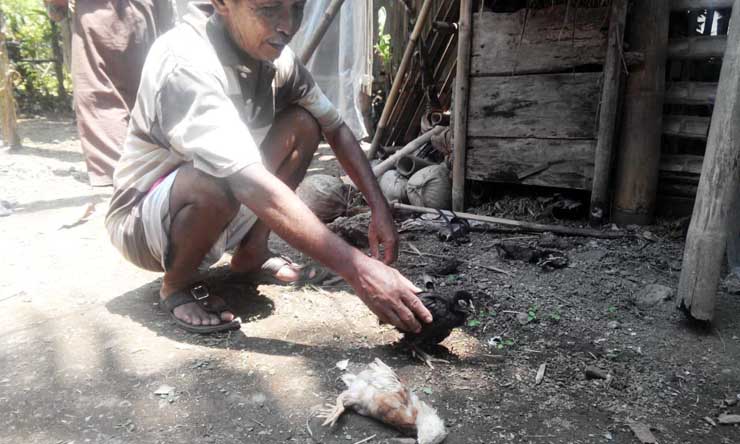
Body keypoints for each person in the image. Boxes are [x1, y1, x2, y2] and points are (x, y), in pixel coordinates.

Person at [105, 0, 433, 334]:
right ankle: (177, 284)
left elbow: (335, 127)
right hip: (141, 223)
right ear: (222, 5)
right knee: (217, 176)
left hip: (223, 196)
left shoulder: (275, 58)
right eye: (269, 9)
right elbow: (248, 182)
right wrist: (358, 269)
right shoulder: (185, 61)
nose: (288, 25)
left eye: (297, 8)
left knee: (304, 124)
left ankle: (251, 254)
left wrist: (380, 210)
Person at [45, 0, 176, 187]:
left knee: (99, 96)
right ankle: (152, 167)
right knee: (143, 93)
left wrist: (56, 8)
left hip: (95, 21)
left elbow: (57, 7)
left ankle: (120, 175)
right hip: (142, 17)